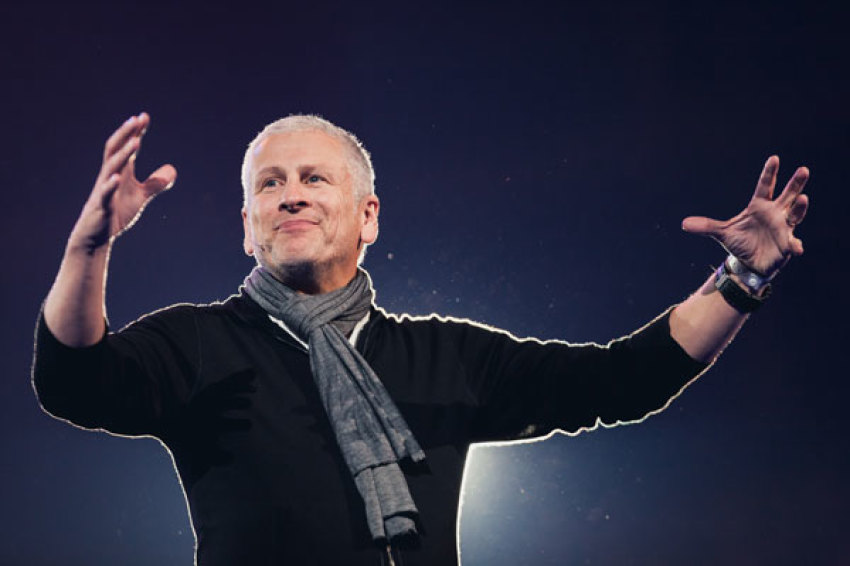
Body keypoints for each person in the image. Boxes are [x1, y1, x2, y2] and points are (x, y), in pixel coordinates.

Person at [32, 112, 810, 565]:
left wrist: (742, 282)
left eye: (314, 177)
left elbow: (623, 380)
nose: (291, 194)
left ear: (368, 216)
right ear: (248, 228)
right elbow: (75, 379)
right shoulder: (196, 344)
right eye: (269, 184)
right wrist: (90, 245)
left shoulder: (444, 356)